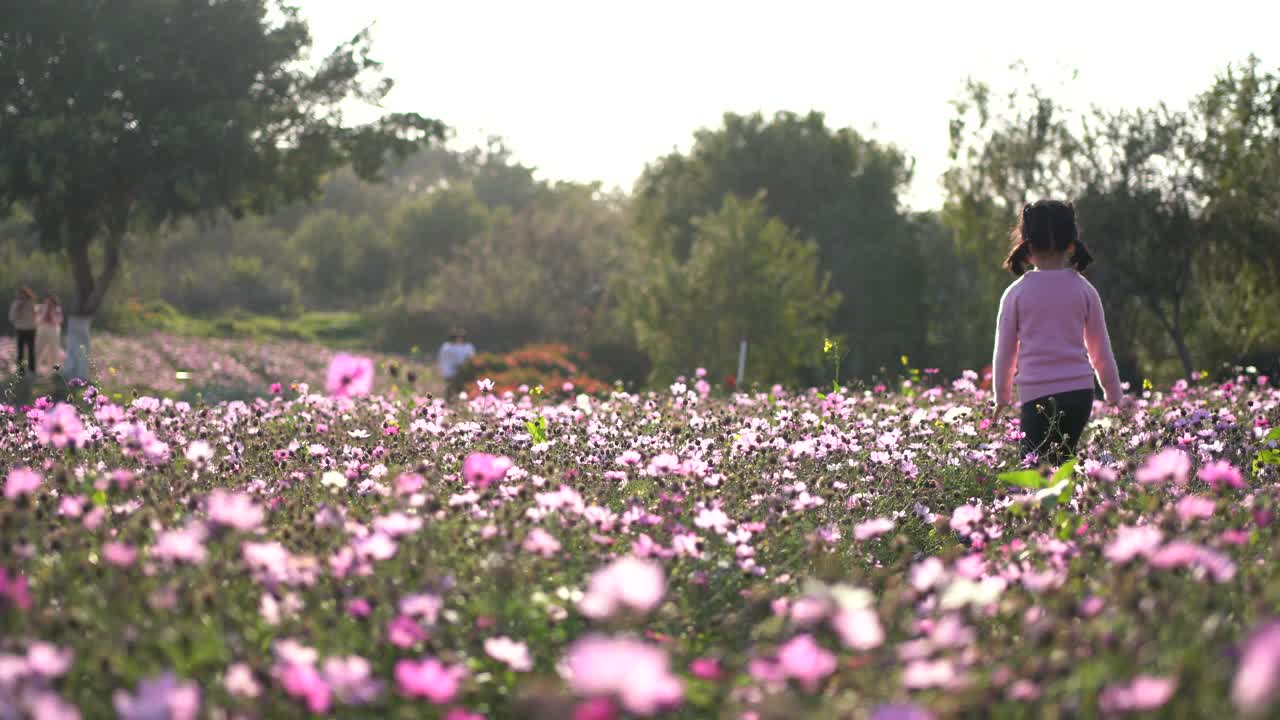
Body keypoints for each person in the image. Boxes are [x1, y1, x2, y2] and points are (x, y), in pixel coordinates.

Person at [992, 200, 1125, 466]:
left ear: (1027, 246)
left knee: (1034, 470)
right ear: (1072, 246)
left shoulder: (1016, 293)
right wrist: (1113, 393)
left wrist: (1002, 396)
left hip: (1037, 397)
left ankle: (1051, 506)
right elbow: (1100, 350)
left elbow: (1005, 353)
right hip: (1079, 395)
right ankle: (1070, 505)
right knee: (1062, 462)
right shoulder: (1085, 290)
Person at [437, 328, 476, 397]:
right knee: (451, 388)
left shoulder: (468, 347)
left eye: (461, 337)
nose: (459, 339)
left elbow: (471, 358)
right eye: (457, 337)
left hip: (464, 372)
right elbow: (443, 359)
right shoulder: (447, 347)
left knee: (463, 389)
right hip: (450, 372)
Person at [8, 287, 37, 375]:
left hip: (31, 329)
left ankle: (32, 370)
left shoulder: (31, 304)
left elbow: (35, 316)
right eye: (20, 294)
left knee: (31, 350)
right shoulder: (15, 304)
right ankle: (21, 371)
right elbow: (12, 318)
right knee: (20, 351)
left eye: (23, 294)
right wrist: (18, 310)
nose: (21, 296)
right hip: (20, 330)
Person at [35, 293, 64, 373]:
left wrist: (53, 317)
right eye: (47, 300)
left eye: (50, 300)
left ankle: (54, 371)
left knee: (54, 350)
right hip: (42, 328)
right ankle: (34, 369)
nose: (48, 301)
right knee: (38, 349)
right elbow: (36, 318)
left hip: (53, 329)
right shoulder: (41, 307)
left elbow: (60, 320)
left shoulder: (57, 309)